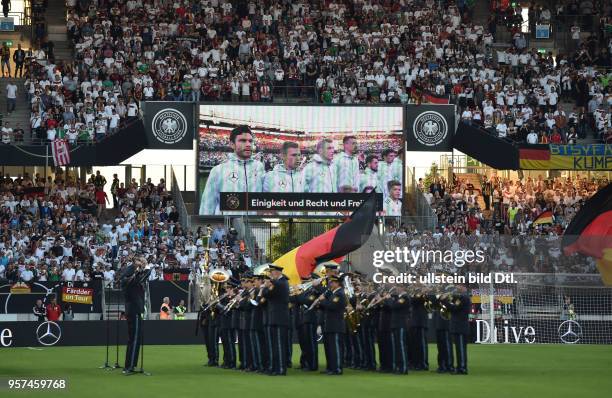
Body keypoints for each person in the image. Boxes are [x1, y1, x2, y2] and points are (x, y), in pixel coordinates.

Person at [199, 125, 265, 215]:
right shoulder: (218, 171)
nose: (248, 144)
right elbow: (207, 206)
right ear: (232, 144)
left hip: (253, 226)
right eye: (243, 140)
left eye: (250, 141)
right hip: (227, 226)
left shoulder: (259, 167)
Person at [261, 264, 289, 375]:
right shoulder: (277, 283)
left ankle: (281, 369)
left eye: (271, 272)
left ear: (277, 272)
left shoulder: (281, 283)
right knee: (275, 344)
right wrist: (267, 287)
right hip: (275, 317)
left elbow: (267, 293)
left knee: (279, 345)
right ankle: (276, 368)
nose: (270, 275)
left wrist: (267, 286)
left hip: (280, 318)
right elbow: (267, 294)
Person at [121, 257, 147, 374]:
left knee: (132, 339)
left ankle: (129, 365)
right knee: (135, 339)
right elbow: (145, 272)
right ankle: (130, 366)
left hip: (132, 310)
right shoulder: (131, 281)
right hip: (134, 310)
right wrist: (140, 266)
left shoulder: (130, 281)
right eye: (140, 261)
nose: (142, 263)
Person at [316, 276, 346, 375]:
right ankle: (331, 367)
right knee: (330, 348)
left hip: (336, 325)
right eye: (330, 282)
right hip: (329, 324)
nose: (330, 284)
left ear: (338, 283)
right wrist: (319, 304)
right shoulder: (333, 293)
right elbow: (327, 306)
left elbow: (332, 306)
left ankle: (337, 368)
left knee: (336, 348)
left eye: (333, 282)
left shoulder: (339, 293)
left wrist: (322, 300)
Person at [448, 284, 471, 375]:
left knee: (461, 348)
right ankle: (460, 367)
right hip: (458, 326)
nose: (457, 287)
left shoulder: (463, 297)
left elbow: (454, 308)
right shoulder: (461, 297)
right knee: (459, 348)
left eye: (459, 285)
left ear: (463, 287)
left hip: (460, 326)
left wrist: (446, 302)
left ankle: (462, 368)